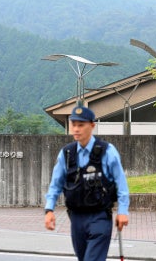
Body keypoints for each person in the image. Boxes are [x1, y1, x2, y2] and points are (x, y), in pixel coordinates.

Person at [44, 105, 129, 261]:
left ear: (92, 125)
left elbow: (121, 183)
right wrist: (49, 209)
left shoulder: (107, 151)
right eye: (73, 124)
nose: (76, 129)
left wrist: (123, 211)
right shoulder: (67, 153)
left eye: (81, 125)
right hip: (76, 218)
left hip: (100, 217)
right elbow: (56, 183)